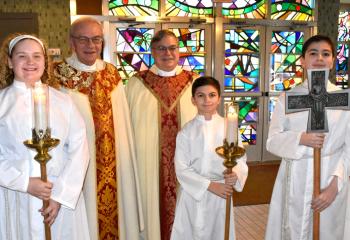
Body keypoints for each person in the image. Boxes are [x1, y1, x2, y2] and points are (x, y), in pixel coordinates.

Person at [52, 17, 143, 240]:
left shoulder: (112, 74)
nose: (90, 46)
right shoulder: (58, 75)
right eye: (83, 39)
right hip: (78, 163)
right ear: (71, 42)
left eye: (96, 40)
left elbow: (124, 127)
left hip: (115, 163)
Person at [0, 34, 90, 239]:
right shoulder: (2, 104)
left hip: (58, 197)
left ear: (45, 61)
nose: (30, 62)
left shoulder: (64, 102)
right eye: (22, 56)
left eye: (36, 56)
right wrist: (24, 183)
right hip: (15, 194)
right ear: (10, 62)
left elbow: (79, 150)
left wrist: (60, 196)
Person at [265, 35, 350, 240]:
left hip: (331, 176)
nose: (319, 58)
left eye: (326, 54)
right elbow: (272, 141)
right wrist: (300, 139)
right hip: (295, 175)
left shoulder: (345, 99)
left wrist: (334, 187)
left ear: (332, 61)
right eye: (313, 53)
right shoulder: (288, 98)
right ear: (302, 61)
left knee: (329, 232)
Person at [126, 29, 199, 240]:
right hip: (148, 164)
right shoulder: (137, 83)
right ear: (152, 52)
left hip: (187, 163)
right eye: (161, 49)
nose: (167, 53)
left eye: (172, 48)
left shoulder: (194, 82)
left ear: (179, 51)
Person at [170, 76, 248, 240]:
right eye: (201, 95)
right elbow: (182, 169)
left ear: (219, 98)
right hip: (194, 194)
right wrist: (210, 185)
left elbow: (240, 159)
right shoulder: (186, 132)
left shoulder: (229, 128)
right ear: (193, 100)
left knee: (218, 233)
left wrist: (235, 174)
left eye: (212, 95)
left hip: (221, 193)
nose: (207, 100)